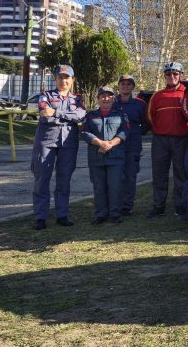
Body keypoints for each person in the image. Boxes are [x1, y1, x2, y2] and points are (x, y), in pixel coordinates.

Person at [30, 64, 86, 230]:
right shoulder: (45, 95)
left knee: (64, 180)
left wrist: (55, 112)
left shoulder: (77, 99)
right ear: (55, 79)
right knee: (42, 179)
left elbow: (80, 115)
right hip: (46, 141)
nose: (63, 80)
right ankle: (40, 217)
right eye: (60, 77)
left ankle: (62, 215)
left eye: (67, 77)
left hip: (68, 142)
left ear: (72, 80)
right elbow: (45, 114)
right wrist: (67, 116)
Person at [147, 62, 188, 218]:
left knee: (181, 173)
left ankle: (180, 206)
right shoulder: (157, 95)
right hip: (161, 140)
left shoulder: (187, 93)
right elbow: (150, 117)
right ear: (164, 76)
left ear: (181, 75)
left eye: (175, 73)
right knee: (159, 173)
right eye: (168, 74)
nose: (172, 76)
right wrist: (161, 130)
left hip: (182, 139)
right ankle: (159, 206)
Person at [82, 86, 129, 224]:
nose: (106, 99)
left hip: (115, 157)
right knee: (99, 187)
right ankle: (100, 214)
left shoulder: (121, 115)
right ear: (98, 99)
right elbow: (85, 133)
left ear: (113, 99)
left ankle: (115, 213)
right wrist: (100, 143)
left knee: (115, 186)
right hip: (96, 157)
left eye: (109, 96)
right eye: (103, 96)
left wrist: (110, 144)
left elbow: (125, 132)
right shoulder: (90, 116)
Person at [114, 74, 148, 216]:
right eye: (123, 84)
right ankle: (115, 204)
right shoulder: (112, 103)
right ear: (118, 86)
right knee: (115, 176)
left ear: (133, 87)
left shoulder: (140, 104)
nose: (125, 86)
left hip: (133, 145)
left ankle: (127, 206)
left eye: (129, 84)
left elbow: (146, 123)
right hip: (115, 145)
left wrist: (136, 132)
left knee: (130, 176)